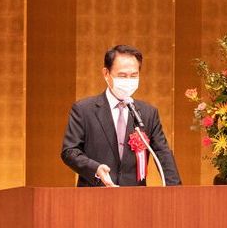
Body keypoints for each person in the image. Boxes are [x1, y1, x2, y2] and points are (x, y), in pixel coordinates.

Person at [62, 44, 181, 187]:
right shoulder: (84, 110)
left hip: (135, 195)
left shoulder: (148, 113)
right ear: (106, 74)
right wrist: (95, 169)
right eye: (122, 75)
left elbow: (162, 154)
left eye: (134, 75)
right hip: (95, 193)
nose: (128, 80)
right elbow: (70, 151)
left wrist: (176, 191)